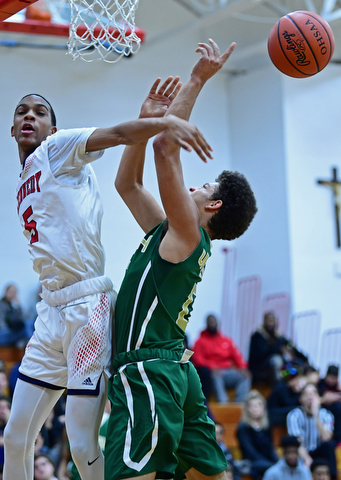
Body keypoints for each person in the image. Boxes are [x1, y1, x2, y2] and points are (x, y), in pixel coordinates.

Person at [4, 91, 210, 480]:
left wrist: (163, 123)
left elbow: (117, 133)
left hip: (88, 308)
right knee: (15, 437)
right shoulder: (25, 176)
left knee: (81, 444)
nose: (30, 116)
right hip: (50, 310)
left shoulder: (56, 149)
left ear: (54, 128)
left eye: (40, 112)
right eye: (21, 112)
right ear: (12, 129)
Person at [104, 38, 257, 480]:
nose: (194, 187)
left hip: (150, 369)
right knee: (210, 473)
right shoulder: (171, 234)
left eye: (204, 187)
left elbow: (165, 149)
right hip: (174, 368)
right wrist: (144, 122)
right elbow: (127, 185)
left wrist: (196, 80)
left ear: (212, 208)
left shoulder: (188, 235)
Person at [192, 314, 251, 403]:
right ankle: (223, 404)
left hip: (227, 371)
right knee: (216, 375)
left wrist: (242, 367)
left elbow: (236, 356)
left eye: (214, 321)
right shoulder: (199, 342)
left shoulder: (226, 340)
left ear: (218, 323)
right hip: (214, 372)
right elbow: (198, 359)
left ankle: (239, 403)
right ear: (206, 324)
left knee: (246, 376)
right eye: (210, 322)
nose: (213, 324)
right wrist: (212, 366)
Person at [287, 383, 337, 479]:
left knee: (329, 445)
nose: (310, 397)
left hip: (319, 453)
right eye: (306, 394)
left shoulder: (326, 414)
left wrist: (315, 415)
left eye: (313, 393)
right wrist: (307, 459)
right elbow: (297, 443)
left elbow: (326, 437)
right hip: (301, 453)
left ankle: (333, 478)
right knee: (292, 449)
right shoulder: (294, 415)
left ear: (319, 397)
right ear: (300, 399)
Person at [248, 311, 308, 386]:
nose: (271, 322)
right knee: (276, 360)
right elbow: (259, 355)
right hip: (261, 371)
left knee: (297, 364)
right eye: (268, 320)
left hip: (282, 370)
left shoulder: (279, 338)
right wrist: (278, 350)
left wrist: (305, 359)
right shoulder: (258, 336)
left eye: (273, 320)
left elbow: (292, 348)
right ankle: (279, 386)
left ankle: (295, 385)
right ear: (264, 321)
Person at [236, 390, 278, 479]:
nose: (255, 408)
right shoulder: (243, 428)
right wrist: (271, 465)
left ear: (263, 407)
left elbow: (270, 448)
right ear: (247, 408)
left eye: (259, 405)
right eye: (252, 406)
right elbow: (249, 451)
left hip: (267, 461)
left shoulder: (267, 425)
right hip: (251, 462)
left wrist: (277, 463)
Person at [317, 365, 341, 442]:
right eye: (330, 377)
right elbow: (326, 397)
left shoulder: (338, 386)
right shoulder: (320, 383)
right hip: (322, 410)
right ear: (326, 375)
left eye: (334, 378)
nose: (332, 380)